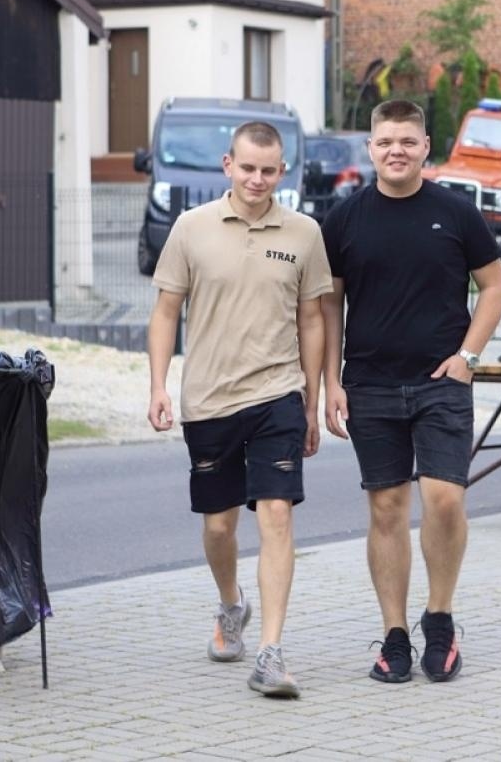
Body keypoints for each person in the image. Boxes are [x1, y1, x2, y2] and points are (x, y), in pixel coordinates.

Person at [320, 99, 501, 684]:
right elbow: (329, 305)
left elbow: (495, 286)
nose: (395, 150)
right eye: (385, 141)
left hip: (441, 382)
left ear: (426, 146)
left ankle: (441, 620)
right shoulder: (345, 219)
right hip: (370, 384)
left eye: (407, 140)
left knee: (445, 501)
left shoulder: (456, 212)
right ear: (370, 148)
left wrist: (468, 357)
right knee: (387, 509)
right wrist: (330, 380)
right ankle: (395, 636)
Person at [146, 121, 331, 700]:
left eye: (269, 169)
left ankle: (272, 653)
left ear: (283, 171)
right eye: (247, 167)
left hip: (278, 392)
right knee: (220, 525)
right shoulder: (190, 228)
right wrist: (158, 385)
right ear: (228, 164)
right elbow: (165, 313)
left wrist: (311, 398)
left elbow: (312, 320)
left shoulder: (303, 233)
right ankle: (231, 606)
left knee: (276, 515)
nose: (257, 179)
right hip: (209, 399)